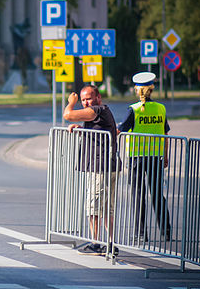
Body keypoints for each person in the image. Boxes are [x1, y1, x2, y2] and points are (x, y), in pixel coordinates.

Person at [63, 85, 120, 256]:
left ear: (98, 97)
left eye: (88, 98)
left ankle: (96, 243)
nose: (85, 102)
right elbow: (99, 132)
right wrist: (82, 130)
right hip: (104, 165)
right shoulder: (98, 112)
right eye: (82, 100)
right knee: (105, 207)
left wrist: (71, 102)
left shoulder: (98, 109)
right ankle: (109, 243)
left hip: (101, 166)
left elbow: (67, 115)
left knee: (94, 206)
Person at [118, 72, 172, 242]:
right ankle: (166, 230)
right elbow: (165, 133)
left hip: (137, 158)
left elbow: (121, 130)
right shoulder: (161, 108)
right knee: (157, 194)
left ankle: (141, 233)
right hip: (156, 157)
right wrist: (165, 155)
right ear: (151, 89)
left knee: (138, 195)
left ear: (137, 89)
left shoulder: (133, 110)